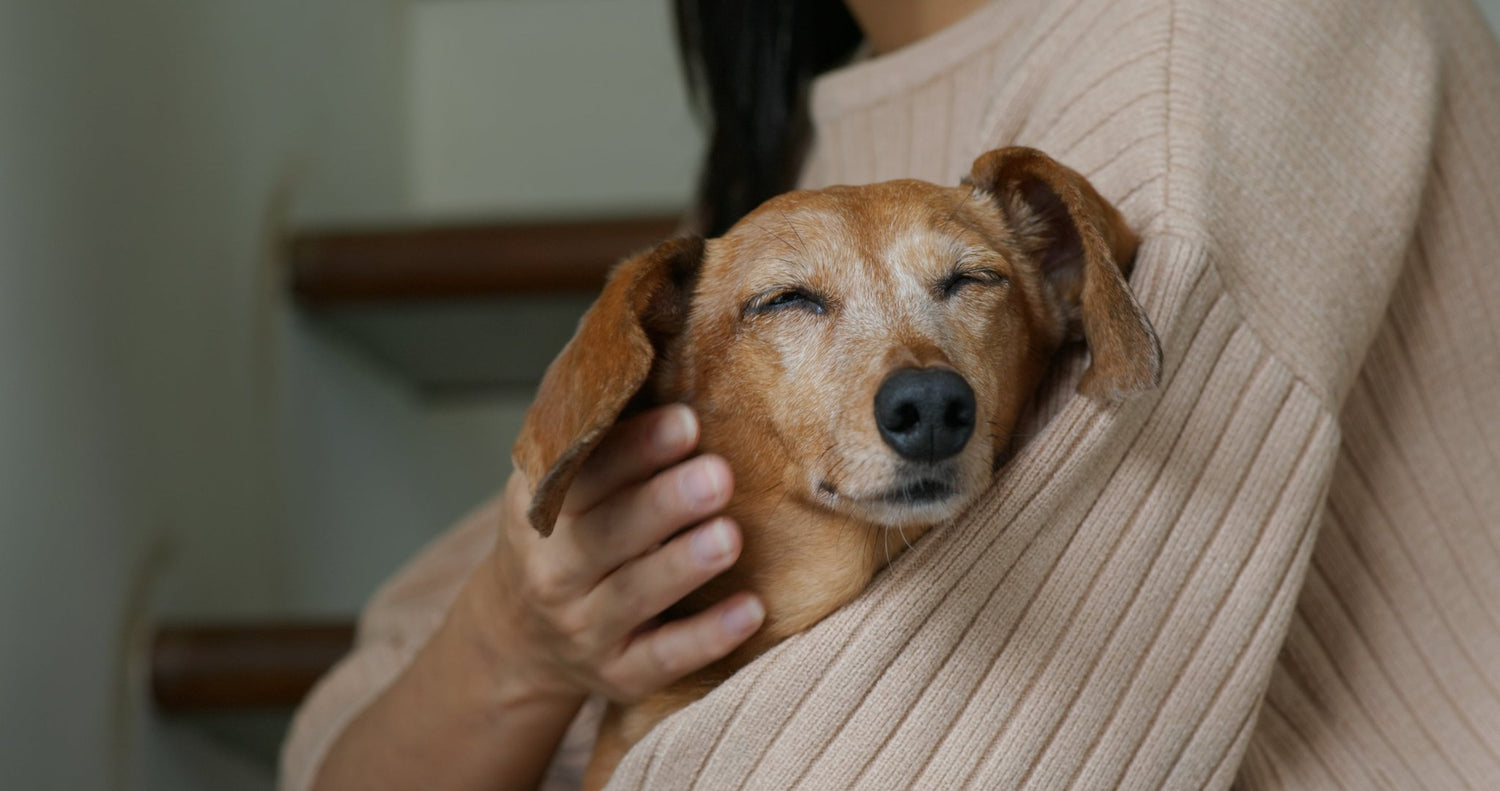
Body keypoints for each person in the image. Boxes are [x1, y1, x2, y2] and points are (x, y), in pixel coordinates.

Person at [284, 0, 1500, 788]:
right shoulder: (764, 212)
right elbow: (349, 738)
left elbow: (981, 742)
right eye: (797, 307)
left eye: (966, 280)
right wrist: (511, 634)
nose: (914, 379)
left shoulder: (1215, 43)